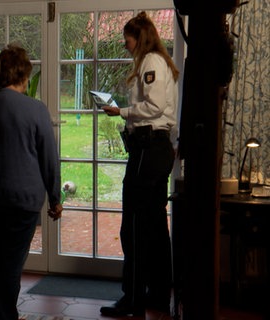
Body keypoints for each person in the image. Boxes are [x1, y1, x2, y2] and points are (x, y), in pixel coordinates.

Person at [0, 44, 63, 320]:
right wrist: (55, 198)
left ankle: (1, 314)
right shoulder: (36, 110)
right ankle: (5, 316)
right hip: (24, 200)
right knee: (13, 263)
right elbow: (49, 158)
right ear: (23, 75)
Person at [99, 11, 179, 317]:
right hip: (158, 150)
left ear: (139, 37)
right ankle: (158, 294)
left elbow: (154, 107)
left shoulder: (151, 63)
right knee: (156, 226)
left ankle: (132, 298)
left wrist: (121, 112)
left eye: (127, 38)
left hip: (148, 149)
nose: (125, 44)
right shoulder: (159, 62)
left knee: (133, 226)